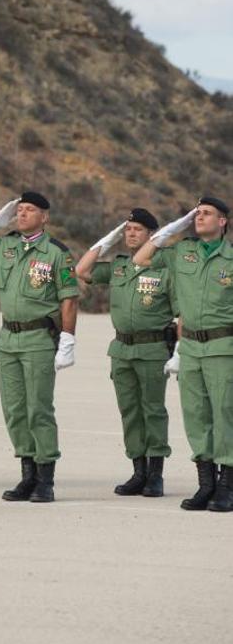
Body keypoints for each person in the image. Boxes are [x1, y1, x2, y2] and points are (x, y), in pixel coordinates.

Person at [0, 192, 78, 503]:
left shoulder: (56, 253)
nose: (22, 214)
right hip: (8, 339)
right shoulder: (4, 246)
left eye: (30, 210)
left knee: (38, 408)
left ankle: (45, 479)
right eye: (19, 210)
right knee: (14, 409)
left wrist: (67, 338)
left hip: (39, 339)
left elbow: (68, 298)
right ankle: (27, 475)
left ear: (45, 217)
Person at [134, 197, 233, 513]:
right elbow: (141, 257)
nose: (200, 217)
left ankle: (227, 486)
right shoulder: (182, 252)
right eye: (197, 213)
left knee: (225, 415)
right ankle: (206, 485)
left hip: (223, 347)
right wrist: (170, 230)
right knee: (196, 415)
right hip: (189, 347)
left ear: (223, 222)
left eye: (207, 214)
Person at [76, 208, 177, 497]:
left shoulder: (165, 270)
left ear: (151, 236)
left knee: (153, 410)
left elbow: (180, 312)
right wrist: (104, 242)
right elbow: (82, 271)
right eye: (127, 229)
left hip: (153, 348)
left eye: (137, 230)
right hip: (121, 349)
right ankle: (138, 471)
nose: (131, 233)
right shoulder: (118, 267)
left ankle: (155, 474)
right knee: (130, 411)